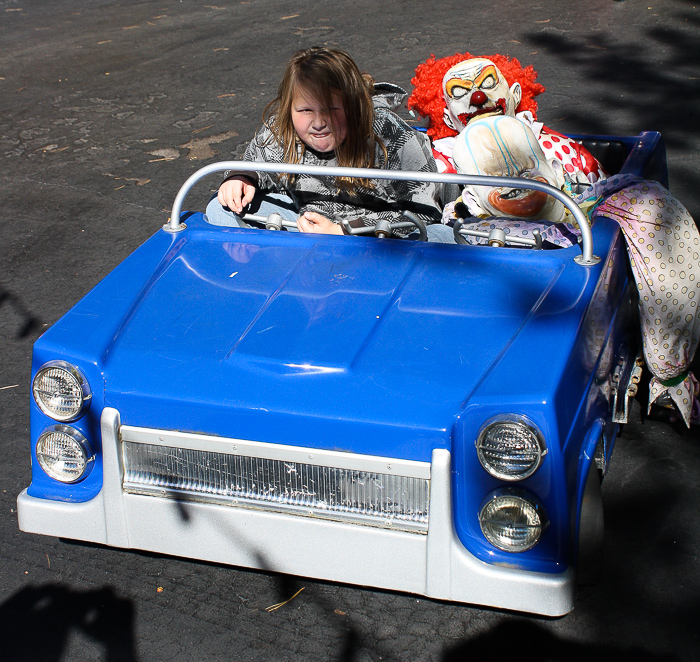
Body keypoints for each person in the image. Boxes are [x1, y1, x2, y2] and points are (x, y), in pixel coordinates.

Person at [445, 116, 700, 426]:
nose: (515, 180)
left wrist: (669, 365)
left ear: (553, 167)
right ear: (471, 198)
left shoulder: (597, 200)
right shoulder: (462, 231)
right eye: (495, 176)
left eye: (527, 167)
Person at [206, 47, 448, 240]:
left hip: (376, 239)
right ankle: (270, 266)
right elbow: (256, 161)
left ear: (354, 106)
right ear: (289, 108)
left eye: (332, 109)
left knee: (442, 237)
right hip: (307, 225)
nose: (319, 122)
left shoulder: (387, 132)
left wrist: (345, 231)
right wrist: (242, 177)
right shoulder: (282, 129)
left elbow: (425, 212)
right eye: (305, 110)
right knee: (220, 207)